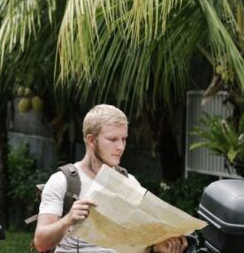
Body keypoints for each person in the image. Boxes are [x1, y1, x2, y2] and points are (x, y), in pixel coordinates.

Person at [34, 104, 188, 253]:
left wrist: (157, 248)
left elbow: (137, 241)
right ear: (91, 140)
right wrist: (68, 220)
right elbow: (41, 243)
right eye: (113, 139)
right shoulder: (63, 181)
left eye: (124, 139)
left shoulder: (129, 182)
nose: (120, 147)